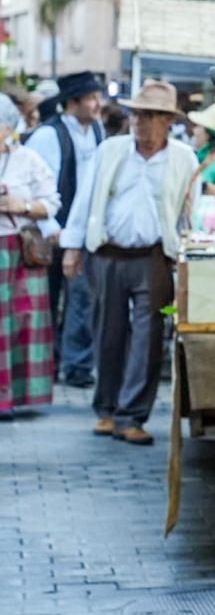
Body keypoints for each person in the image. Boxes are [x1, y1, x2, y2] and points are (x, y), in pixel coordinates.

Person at [61, 80, 198, 446]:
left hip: (154, 257)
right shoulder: (111, 150)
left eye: (150, 115)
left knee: (149, 339)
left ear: (168, 120)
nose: (140, 121)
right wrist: (72, 247)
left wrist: (187, 256)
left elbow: (189, 212)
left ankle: (132, 415)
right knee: (107, 333)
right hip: (107, 254)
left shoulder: (184, 157)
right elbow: (85, 200)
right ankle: (106, 409)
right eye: (136, 113)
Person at [23, 71, 105, 390]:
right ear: (73, 102)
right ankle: (49, 363)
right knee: (47, 299)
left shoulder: (97, 131)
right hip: (50, 230)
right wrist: (51, 226)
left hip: (82, 229)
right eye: (92, 98)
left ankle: (76, 366)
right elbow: (38, 187)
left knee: (81, 298)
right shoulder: (49, 134)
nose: (98, 104)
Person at [0, 95, 61, 418]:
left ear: (8, 127)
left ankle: (16, 397)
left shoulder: (28, 160)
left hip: (20, 251)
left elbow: (51, 203)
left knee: (22, 321)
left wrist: (18, 206)